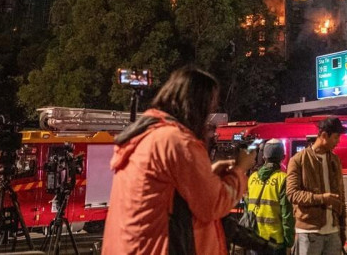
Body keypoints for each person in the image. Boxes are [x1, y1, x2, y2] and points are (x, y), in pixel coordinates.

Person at [102, 66, 254, 255]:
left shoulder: (146, 135)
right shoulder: (177, 141)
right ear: (197, 106)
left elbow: (169, 191)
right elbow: (212, 204)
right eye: (209, 108)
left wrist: (210, 174)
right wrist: (240, 169)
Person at [286, 116, 347, 255]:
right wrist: (322, 198)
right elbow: (292, 194)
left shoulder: (335, 160)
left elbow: (341, 195)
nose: (338, 141)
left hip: (333, 232)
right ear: (324, 135)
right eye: (336, 137)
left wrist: (342, 228)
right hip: (308, 232)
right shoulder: (298, 160)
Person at [245, 139, 294, 252]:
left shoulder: (252, 178)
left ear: (263, 157)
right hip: (275, 242)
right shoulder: (283, 179)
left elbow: (247, 207)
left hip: (255, 239)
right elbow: (287, 214)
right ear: (283, 157)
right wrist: (289, 241)